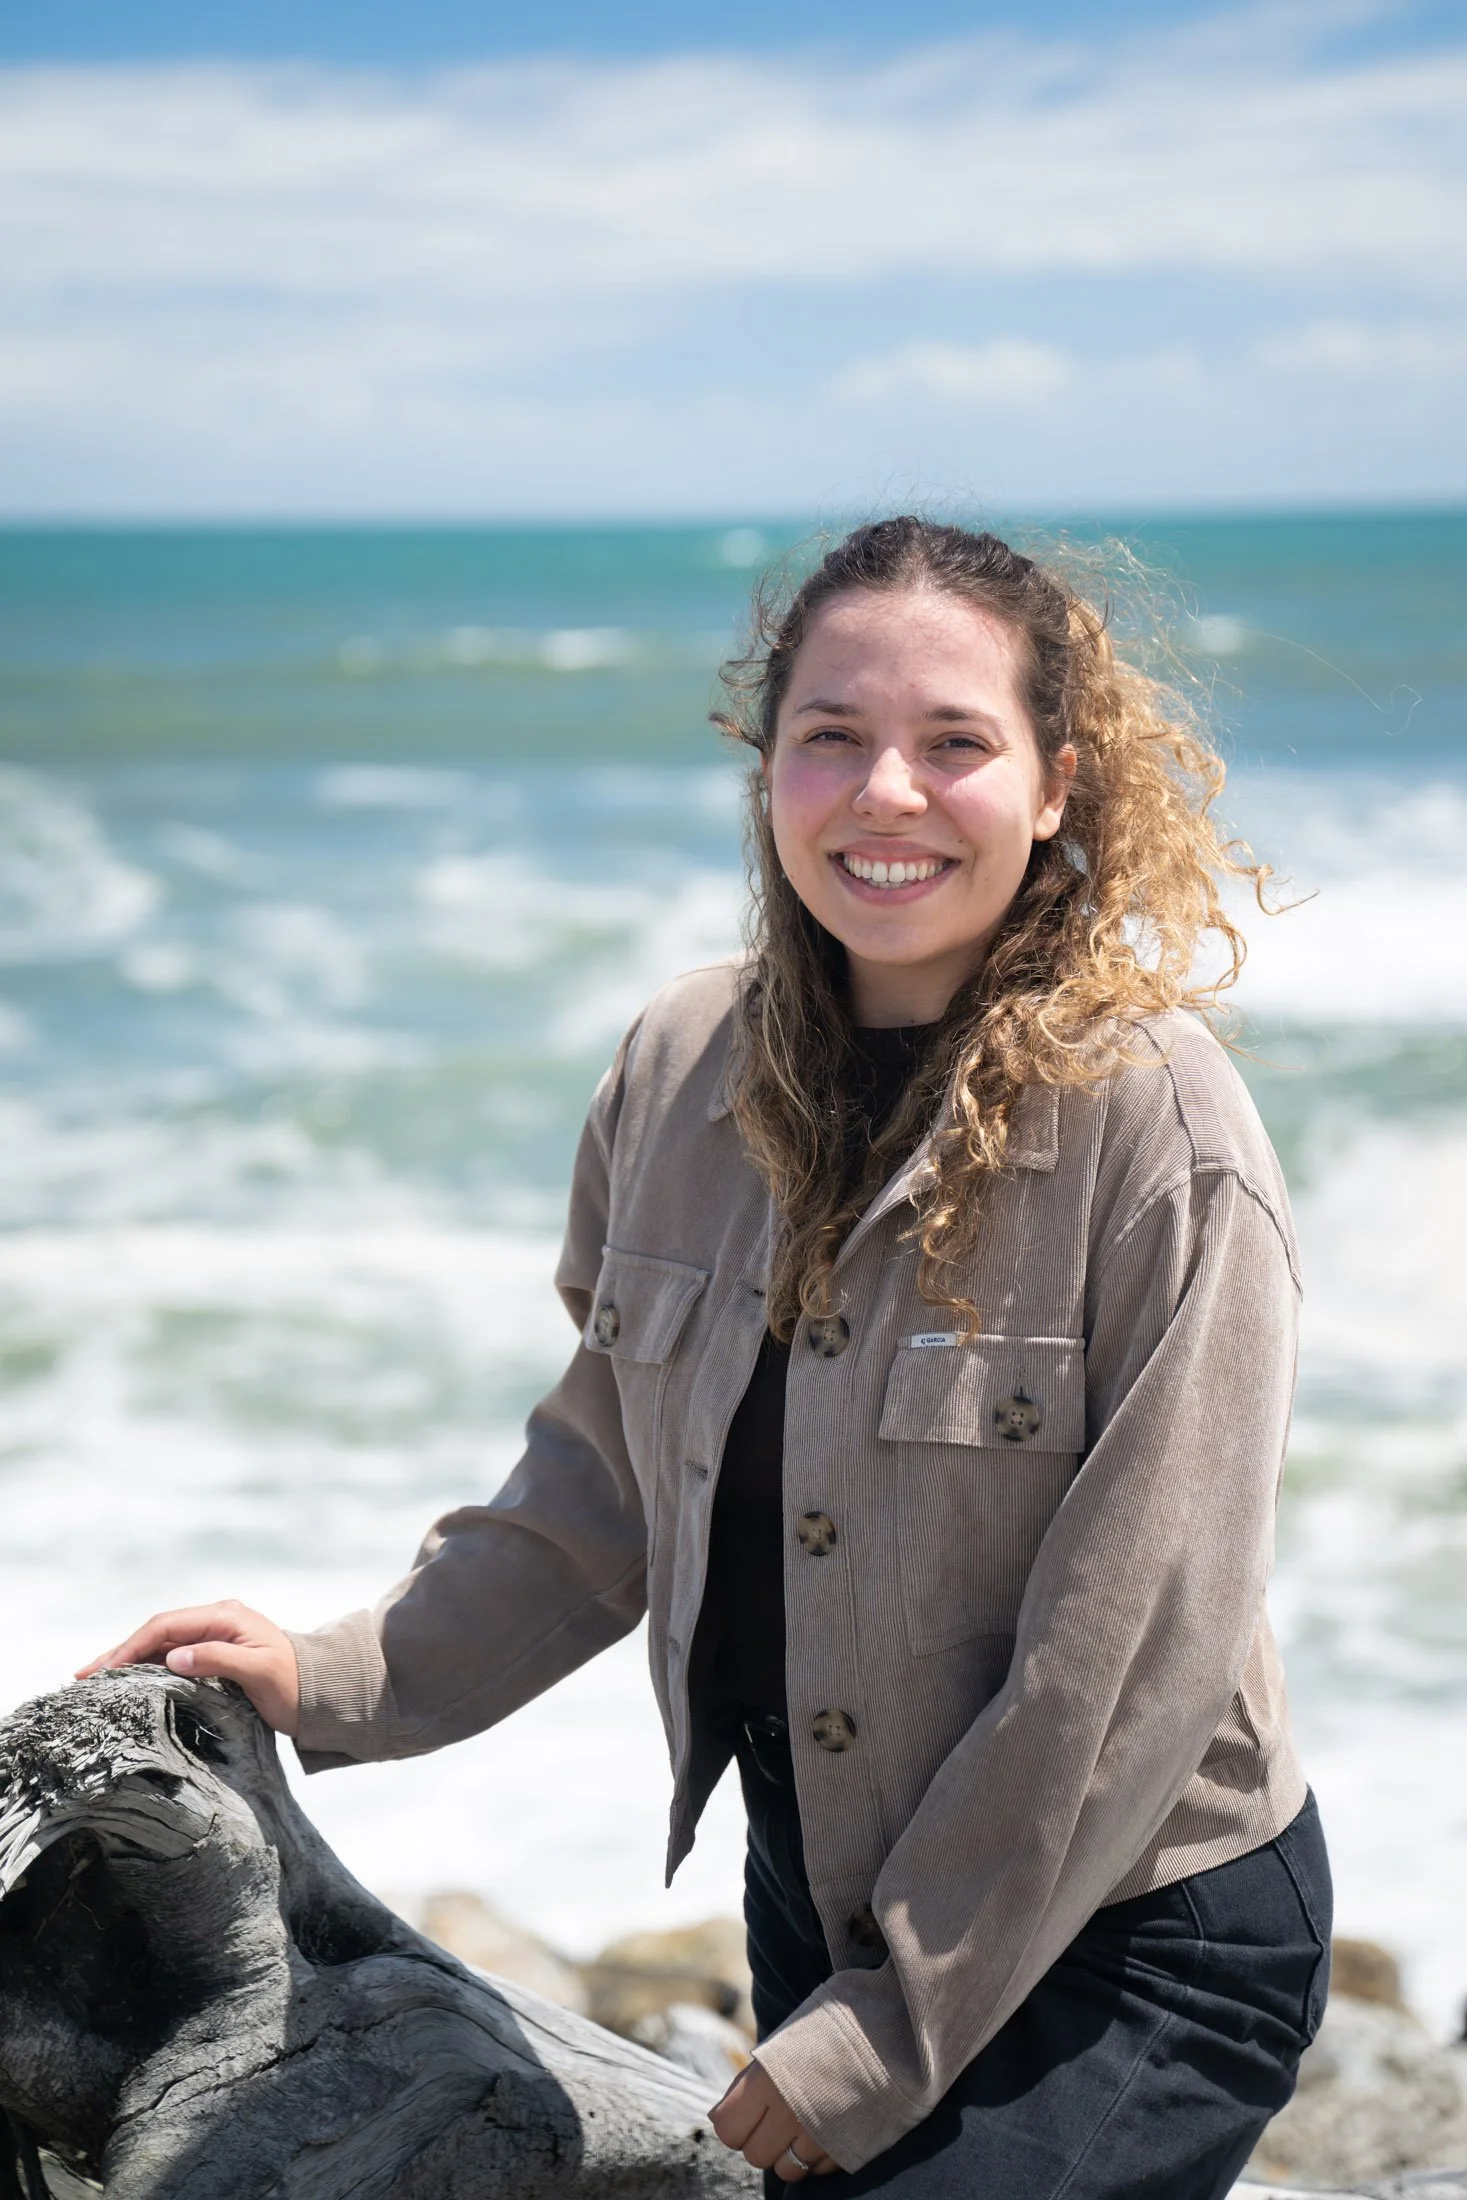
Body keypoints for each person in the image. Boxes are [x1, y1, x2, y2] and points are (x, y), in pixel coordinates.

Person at [82, 518, 1331, 2198]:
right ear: (767, 771)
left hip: (1132, 1939)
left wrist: (882, 2033)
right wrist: (344, 1678)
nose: (885, 790)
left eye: (954, 742)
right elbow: (602, 1484)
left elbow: (1128, 1648)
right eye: (832, 737)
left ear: (1054, 787)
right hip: (821, 1899)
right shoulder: (679, 1066)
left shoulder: (1156, 1125)